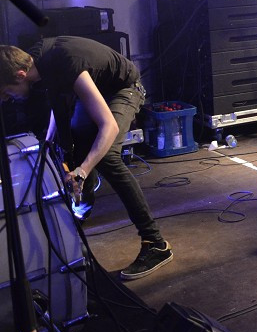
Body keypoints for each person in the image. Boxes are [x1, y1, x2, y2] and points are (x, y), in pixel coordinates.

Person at [0, 38, 172, 280]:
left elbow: (108, 126)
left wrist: (82, 171)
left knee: (106, 157)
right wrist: (47, 145)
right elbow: (57, 107)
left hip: (124, 88)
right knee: (79, 150)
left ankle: (155, 243)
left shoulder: (65, 62)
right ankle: (77, 217)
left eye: (7, 93)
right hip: (98, 89)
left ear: (19, 75)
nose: (8, 99)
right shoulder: (36, 62)